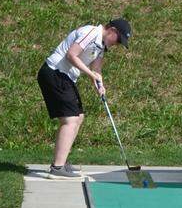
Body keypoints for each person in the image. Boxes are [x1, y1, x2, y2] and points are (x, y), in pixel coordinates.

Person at [37, 18, 132, 178]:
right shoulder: (91, 32)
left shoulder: (101, 45)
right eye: (118, 40)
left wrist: (99, 83)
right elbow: (71, 55)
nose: (117, 44)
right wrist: (90, 75)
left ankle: (62, 160)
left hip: (65, 77)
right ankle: (57, 168)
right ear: (112, 31)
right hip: (54, 73)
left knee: (78, 117)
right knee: (70, 120)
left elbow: (96, 68)